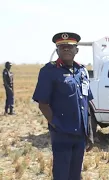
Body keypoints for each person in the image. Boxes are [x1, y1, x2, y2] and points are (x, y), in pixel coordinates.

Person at [32, 32, 94, 180]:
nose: (66, 49)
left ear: (76, 50)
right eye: (62, 47)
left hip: (80, 134)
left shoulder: (82, 71)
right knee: (61, 174)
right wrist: (56, 124)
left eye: (70, 46)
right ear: (57, 50)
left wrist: (90, 132)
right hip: (61, 133)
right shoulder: (49, 71)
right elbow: (43, 104)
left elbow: (87, 103)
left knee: (75, 174)